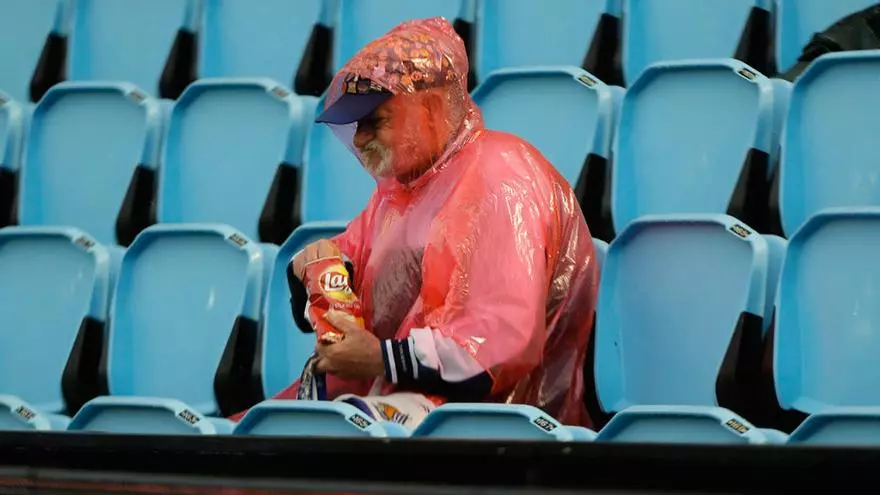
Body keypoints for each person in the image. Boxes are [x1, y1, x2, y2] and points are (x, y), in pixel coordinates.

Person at [233, 17, 599, 428]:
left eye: (375, 120)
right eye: (355, 124)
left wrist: (381, 358)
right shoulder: (403, 191)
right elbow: (350, 265)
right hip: (409, 408)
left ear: (429, 109)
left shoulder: (501, 176)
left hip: (497, 423)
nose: (359, 139)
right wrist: (315, 266)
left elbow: (497, 346)